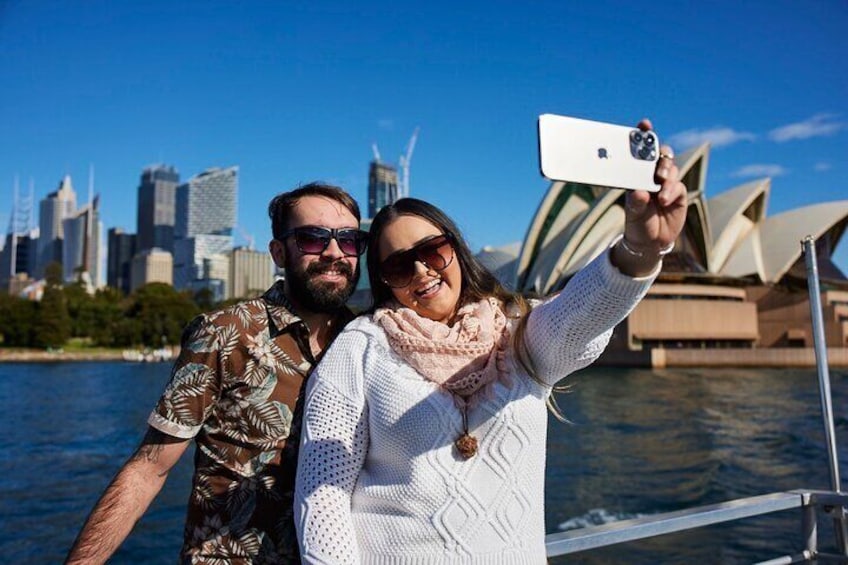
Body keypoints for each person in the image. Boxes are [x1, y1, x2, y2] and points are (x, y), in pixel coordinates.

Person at [294, 120, 687, 562]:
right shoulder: (362, 347)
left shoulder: (517, 331)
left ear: (457, 250)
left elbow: (580, 318)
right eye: (401, 266)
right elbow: (322, 495)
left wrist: (641, 248)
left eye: (433, 251)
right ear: (385, 282)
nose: (422, 271)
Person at [66, 182, 367, 564]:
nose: (334, 252)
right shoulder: (225, 333)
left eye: (350, 240)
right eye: (312, 238)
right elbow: (149, 469)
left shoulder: (367, 340)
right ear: (278, 252)